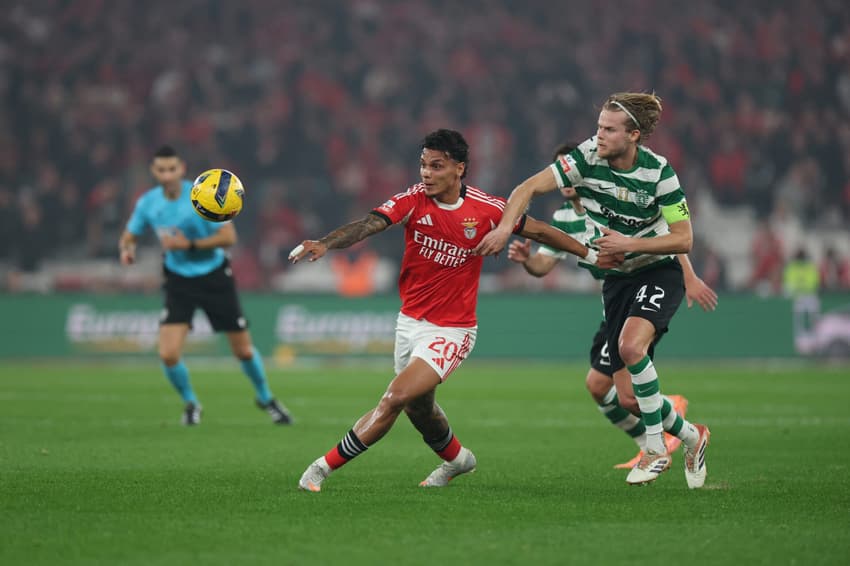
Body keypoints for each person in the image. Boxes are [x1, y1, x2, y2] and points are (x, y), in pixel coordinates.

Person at [290, 129, 617, 492]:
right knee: (420, 409)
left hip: (452, 329)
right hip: (409, 322)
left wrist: (589, 254)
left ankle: (319, 470)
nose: (426, 174)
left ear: (459, 169)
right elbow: (369, 224)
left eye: (436, 166)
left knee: (395, 397)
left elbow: (540, 232)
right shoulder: (413, 200)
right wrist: (326, 243)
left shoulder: (487, 208)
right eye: (423, 165)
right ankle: (459, 460)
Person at [475, 93, 712, 488]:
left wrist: (629, 244)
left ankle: (654, 450)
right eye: (598, 126)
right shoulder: (586, 158)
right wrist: (503, 228)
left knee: (632, 348)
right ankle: (692, 435)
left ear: (633, 135)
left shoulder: (660, 173)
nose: (598, 135)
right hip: (617, 281)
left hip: (657, 271)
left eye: (608, 129)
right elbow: (526, 187)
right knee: (626, 397)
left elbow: (683, 238)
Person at [507, 143, 718, 470]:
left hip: (646, 285)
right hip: (615, 300)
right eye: (558, 172)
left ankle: (656, 442)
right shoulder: (563, 219)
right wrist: (526, 261)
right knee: (606, 390)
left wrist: (689, 276)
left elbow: (665, 232)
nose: (563, 180)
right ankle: (673, 431)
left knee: (630, 367)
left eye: (568, 171)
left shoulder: (609, 200)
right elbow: (542, 267)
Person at [118, 145, 292, 426]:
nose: (167, 175)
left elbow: (229, 236)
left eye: (171, 169)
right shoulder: (148, 203)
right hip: (178, 280)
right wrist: (127, 249)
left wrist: (188, 244)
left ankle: (265, 397)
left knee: (243, 351)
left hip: (213, 276)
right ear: (154, 171)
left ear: (181, 169)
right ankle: (191, 402)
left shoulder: (203, 193)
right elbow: (130, 234)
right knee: (168, 353)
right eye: (161, 170)